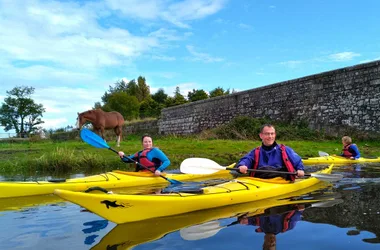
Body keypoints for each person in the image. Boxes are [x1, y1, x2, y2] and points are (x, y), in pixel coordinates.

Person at [236, 124, 305, 180]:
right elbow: (246, 159)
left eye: (272, 134)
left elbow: (298, 161)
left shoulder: (285, 150)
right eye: (267, 134)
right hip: (260, 181)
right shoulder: (255, 152)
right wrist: (242, 165)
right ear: (261, 136)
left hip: (281, 181)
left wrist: (300, 169)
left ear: (275, 135)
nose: (270, 136)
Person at [238, 204, 305, 250]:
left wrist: (241, 219)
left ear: (264, 244)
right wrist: (301, 208)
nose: (272, 242)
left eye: (269, 245)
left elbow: (245, 219)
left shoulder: (255, 221)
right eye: (273, 245)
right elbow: (299, 212)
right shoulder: (289, 226)